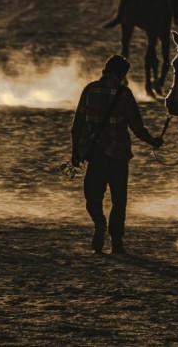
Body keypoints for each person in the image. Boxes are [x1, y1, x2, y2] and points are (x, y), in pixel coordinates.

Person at [70, 55, 163, 254]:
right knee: (119, 200)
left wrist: (75, 153)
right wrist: (154, 141)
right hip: (119, 155)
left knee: (93, 196)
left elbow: (76, 125)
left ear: (105, 70)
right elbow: (137, 127)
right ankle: (117, 242)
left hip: (95, 154)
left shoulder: (89, 89)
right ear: (122, 75)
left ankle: (99, 222)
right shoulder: (125, 93)